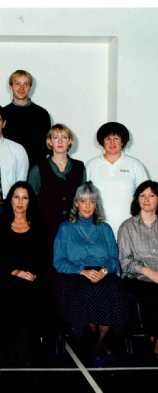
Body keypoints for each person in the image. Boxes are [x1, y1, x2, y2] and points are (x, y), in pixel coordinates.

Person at [53, 181, 128, 367]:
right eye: (83, 201)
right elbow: (58, 261)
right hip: (76, 274)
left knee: (112, 290)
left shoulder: (105, 228)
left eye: (92, 201)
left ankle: (97, 346)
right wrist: (83, 271)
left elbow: (114, 259)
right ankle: (102, 346)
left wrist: (104, 271)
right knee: (88, 291)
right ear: (76, 203)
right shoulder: (65, 228)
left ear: (96, 205)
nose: (87, 206)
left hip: (103, 273)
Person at [0, 181, 51, 366]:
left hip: (34, 276)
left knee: (32, 292)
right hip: (10, 275)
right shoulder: (0, 225)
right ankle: (11, 349)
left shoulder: (40, 224)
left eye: (24, 198)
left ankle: (26, 349)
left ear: (30, 201)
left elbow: (44, 256)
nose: (20, 201)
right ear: (10, 200)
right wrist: (16, 271)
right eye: (16, 197)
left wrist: (31, 273)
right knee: (12, 291)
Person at [28, 124, 86, 295]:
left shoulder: (79, 167)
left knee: (72, 273)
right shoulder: (38, 168)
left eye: (64, 137)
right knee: (49, 272)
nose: (60, 141)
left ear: (70, 142)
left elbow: (83, 200)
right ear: (50, 142)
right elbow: (31, 203)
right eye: (55, 137)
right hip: (46, 230)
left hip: (73, 229)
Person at [86, 122, 149, 238]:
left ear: (122, 141)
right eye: (108, 139)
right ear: (102, 142)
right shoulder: (91, 165)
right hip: (97, 228)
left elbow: (147, 196)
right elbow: (82, 198)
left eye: (116, 138)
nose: (112, 143)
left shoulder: (135, 165)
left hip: (130, 228)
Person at [118, 180, 158, 357]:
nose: (146, 199)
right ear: (137, 199)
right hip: (137, 277)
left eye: (152, 195)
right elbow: (125, 261)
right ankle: (155, 338)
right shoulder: (127, 226)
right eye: (142, 195)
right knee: (152, 293)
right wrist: (150, 273)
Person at [3, 69, 51, 170]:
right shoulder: (2, 114)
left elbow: (48, 145)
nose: (21, 88)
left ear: (30, 88)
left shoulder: (42, 114)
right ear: (10, 86)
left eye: (26, 84)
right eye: (17, 83)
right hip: (9, 167)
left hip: (35, 168)